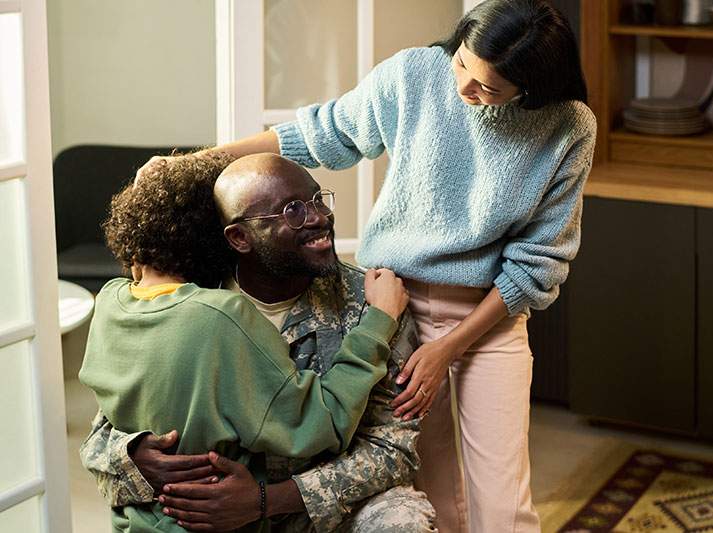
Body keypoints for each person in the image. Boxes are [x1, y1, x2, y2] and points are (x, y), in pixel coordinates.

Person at [137, 1, 595, 529]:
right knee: (434, 489)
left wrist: (449, 346)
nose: (467, 88)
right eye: (463, 64)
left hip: (489, 318)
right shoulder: (414, 74)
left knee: (503, 502)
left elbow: (537, 263)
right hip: (392, 305)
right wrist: (198, 160)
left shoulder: (568, 126)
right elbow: (321, 134)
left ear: (532, 88)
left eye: (489, 88)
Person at [80, 153, 437, 532]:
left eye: (318, 200)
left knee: (400, 520)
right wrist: (135, 456)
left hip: (317, 509)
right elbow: (106, 428)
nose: (318, 218)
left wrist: (265, 500)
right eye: (292, 210)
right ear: (238, 237)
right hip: (207, 516)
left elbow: (392, 449)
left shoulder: (375, 302)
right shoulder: (190, 300)